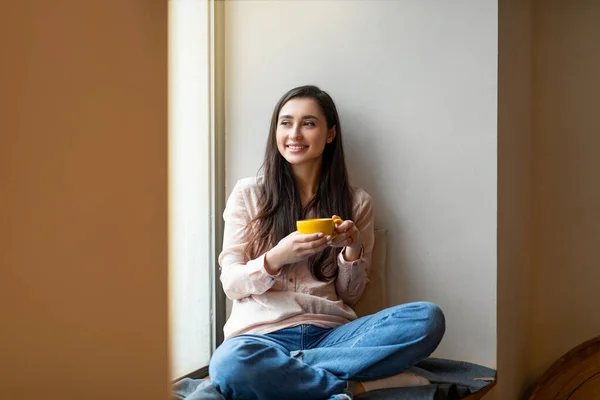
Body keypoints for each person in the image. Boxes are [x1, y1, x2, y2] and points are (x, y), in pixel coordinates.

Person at [209, 85, 445, 400]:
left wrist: (352, 249)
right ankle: (353, 387)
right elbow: (232, 284)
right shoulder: (249, 194)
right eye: (286, 122)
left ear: (330, 134)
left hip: (333, 337)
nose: (294, 133)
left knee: (427, 318)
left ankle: (286, 373)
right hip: (261, 338)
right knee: (230, 363)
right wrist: (277, 257)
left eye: (308, 123)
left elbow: (351, 295)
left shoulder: (356, 202)